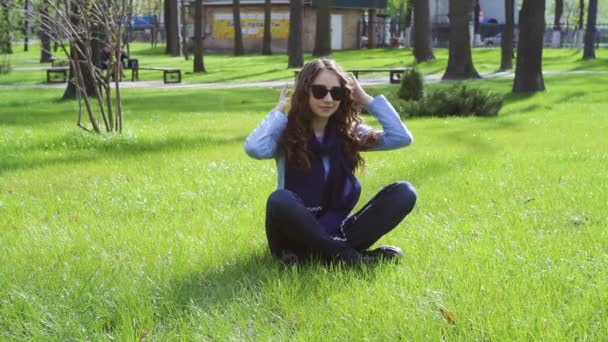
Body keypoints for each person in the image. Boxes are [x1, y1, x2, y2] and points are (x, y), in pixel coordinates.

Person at [244, 59, 417, 265]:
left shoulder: (349, 133)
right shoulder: (287, 134)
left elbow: (401, 138)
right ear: (304, 92)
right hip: (291, 239)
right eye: (319, 91)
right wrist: (279, 112)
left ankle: (329, 255)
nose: (328, 98)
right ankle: (351, 258)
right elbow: (254, 148)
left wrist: (367, 101)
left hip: (338, 232)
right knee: (280, 200)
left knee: (404, 192)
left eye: (336, 93)